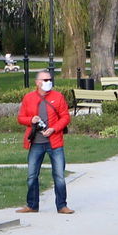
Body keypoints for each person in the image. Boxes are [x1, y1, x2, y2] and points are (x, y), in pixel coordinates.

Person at [16, 70, 72, 214]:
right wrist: (31, 120)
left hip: (55, 142)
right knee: (32, 175)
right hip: (36, 143)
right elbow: (20, 118)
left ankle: (62, 206)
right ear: (37, 82)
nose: (49, 82)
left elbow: (65, 117)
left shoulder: (58, 97)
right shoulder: (29, 98)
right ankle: (32, 205)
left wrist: (54, 129)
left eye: (50, 79)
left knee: (59, 176)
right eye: (45, 80)